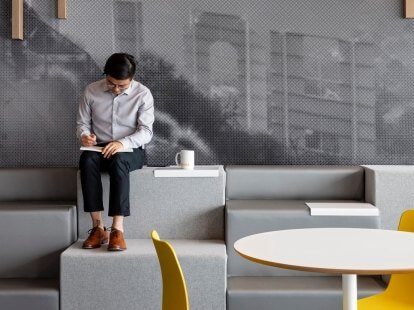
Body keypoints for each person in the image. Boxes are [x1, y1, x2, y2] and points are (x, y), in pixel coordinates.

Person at [76, 53, 154, 251]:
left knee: (119, 161)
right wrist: (85, 135)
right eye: (112, 84)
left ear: (132, 80)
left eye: (122, 86)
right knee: (87, 160)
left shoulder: (143, 94)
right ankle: (97, 228)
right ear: (106, 75)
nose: (116, 89)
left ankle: (117, 230)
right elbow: (82, 124)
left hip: (130, 149)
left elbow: (146, 132)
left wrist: (122, 143)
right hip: (99, 147)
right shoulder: (91, 91)